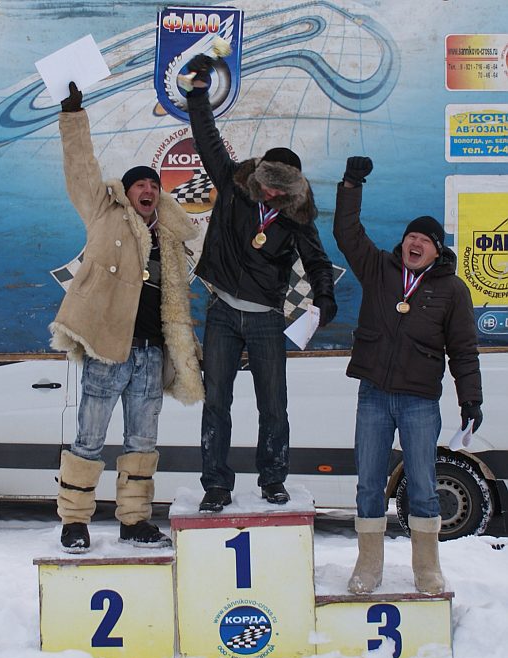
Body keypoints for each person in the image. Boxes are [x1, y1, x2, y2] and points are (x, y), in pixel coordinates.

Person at [50, 82, 204, 552]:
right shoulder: (103, 211)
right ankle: (74, 521)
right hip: (108, 348)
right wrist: (74, 116)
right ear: (125, 190)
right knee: (89, 437)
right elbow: (81, 170)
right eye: (140, 183)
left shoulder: (173, 238)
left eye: (154, 185)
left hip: (150, 354)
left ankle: (134, 520)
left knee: (142, 441)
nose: (148, 189)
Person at [185, 56, 337, 513]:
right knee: (217, 404)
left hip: (268, 319)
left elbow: (318, 260)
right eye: (267, 185)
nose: (271, 194)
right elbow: (206, 137)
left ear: (292, 190)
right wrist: (196, 92)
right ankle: (216, 485)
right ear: (258, 176)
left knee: (273, 406)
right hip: (223, 312)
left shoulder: (296, 216)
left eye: (280, 190)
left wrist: (325, 296)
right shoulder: (233, 186)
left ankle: (273, 479)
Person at [333, 156, 483, 595]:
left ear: (437, 250)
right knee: (368, 482)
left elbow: (464, 351)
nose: (414, 243)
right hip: (374, 395)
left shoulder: (452, 291)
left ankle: (427, 567)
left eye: (424, 239)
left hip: (419, 400)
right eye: (410, 237)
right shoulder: (379, 269)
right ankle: (369, 563)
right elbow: (346, 234)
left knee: (422, 483)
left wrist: (470, 400)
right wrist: (350, 185)